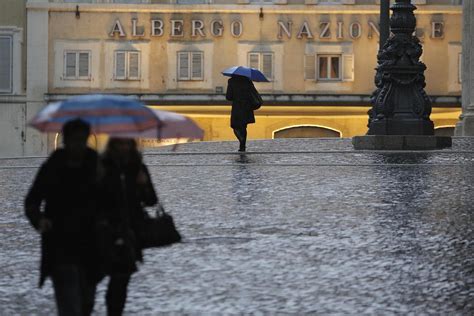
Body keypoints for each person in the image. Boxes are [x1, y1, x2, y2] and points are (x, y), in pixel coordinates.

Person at [24, 118, 101, 316]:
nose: (77, 145)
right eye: (73, 140)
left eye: (81, 140)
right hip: (60, 245)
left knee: (86, 302)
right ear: (66, 141)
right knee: (69, 304)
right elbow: (32, 201)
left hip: (90, 245)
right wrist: (40, 219)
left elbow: (112, 200)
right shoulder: (52, 166)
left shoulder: (97, 166)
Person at [99, 137, 158, 316]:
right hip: (105, 229)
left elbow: (151, 200)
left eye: (127, 144)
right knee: (102, 277)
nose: (124, 147)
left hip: (129, 232)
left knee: (121, 279)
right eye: (120, 144)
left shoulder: (138, 167)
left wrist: (143, 185)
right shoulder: (102, 167)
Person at [225, 75, 260, 152]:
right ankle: (243, 144)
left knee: (235, 125)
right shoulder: (247, 81)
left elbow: (229, 97)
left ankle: (241, 141)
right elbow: (253, 92)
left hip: (237, 107)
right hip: (247, 106)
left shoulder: (231, 81)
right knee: (243, 126)